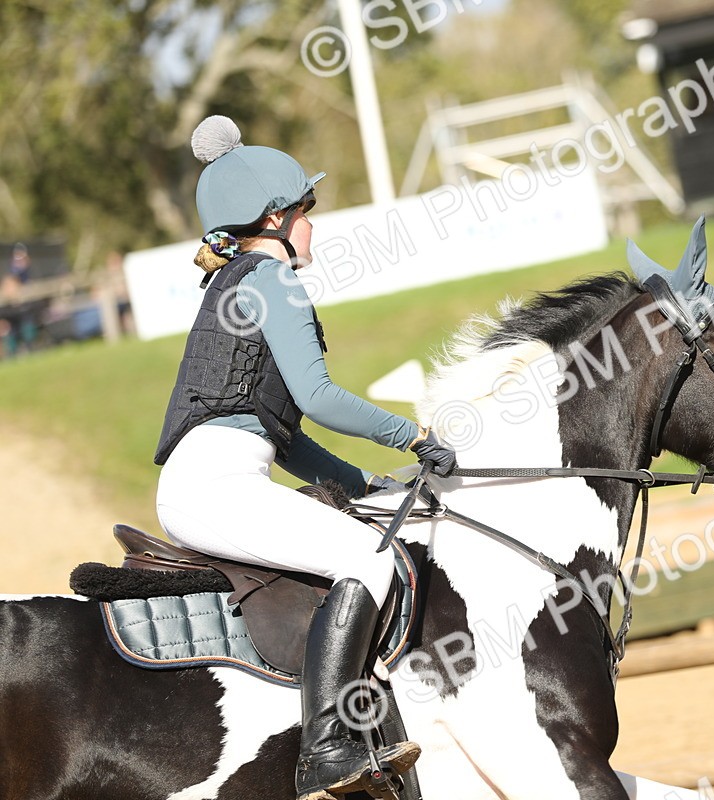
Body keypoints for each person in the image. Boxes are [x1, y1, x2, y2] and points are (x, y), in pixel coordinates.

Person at [153, 116, 456, 800]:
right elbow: (318, 398)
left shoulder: (236, 280)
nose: (314, 227)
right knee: (371, 559)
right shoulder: (271, 278)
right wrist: (412, 435)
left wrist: (367, 484)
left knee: (361, 544)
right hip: (216, 484)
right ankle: (326, 750)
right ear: (275, 218)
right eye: (307, 213)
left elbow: (287, 440)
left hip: (215, 477)